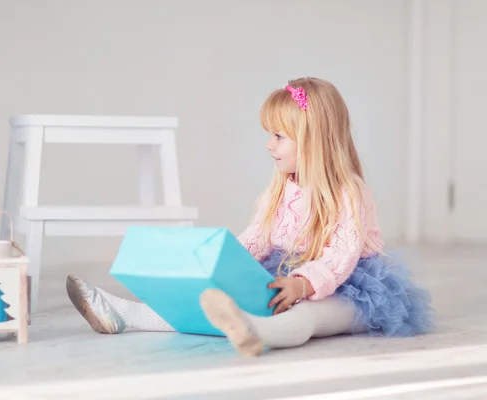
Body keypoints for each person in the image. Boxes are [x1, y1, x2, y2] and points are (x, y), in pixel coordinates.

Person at [66, 77, 433, 357]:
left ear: (313, 139)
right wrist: (221, 265)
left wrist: (304, 285)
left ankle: (253, 329)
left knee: (308, 317)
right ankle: (128, 313)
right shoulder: (278, 189)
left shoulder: (349, 192)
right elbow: (257, 237)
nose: (269, 145)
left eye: (278, 136)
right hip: (289, 275)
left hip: (348, 288)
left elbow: (342, 255)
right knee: (219, 296)